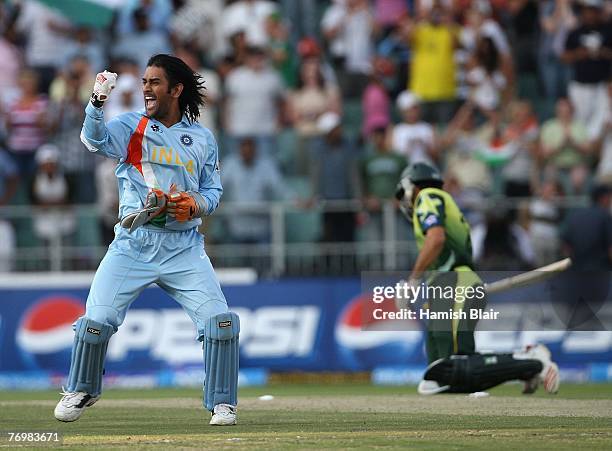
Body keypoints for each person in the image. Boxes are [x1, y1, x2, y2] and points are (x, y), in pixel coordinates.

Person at [53, 54, 239, 426]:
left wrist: (195, 205)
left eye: (154, 82)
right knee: (96, 322)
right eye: (144, 82)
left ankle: (222, 403)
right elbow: (94, 141)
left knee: (220, 322)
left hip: (184, 248)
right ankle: (82, 389)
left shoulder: (202, 138)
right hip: (133, 244)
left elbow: (213, 192)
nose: (146, 89)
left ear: (176, 89)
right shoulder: (130, 126)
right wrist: (95, 103)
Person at [394, 162, 559, 395]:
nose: (404, 200)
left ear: (412, 186)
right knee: (437, 377)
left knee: (454, 368)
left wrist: (413, 280)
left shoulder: (428, 196)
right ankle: (524, 367)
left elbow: (436, 239)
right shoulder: (442, 200)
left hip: (453, 283)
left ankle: (531, 361)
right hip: (448, 284)